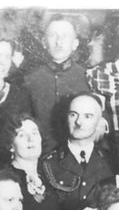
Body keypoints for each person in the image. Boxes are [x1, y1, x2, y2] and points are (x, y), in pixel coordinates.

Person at [41, 92, 117, 210]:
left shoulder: (113, 162)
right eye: (73, 115)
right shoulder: (48, 163)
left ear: (99, 122)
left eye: (87, 116)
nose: (79, 122)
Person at [23, 14, 91, 151]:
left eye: (65, 36)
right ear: (44, 42)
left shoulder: (88, 77)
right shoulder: (30, 79)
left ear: (75, 43)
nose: (59, 42)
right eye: (53, 36)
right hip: (42, 153)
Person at [2, 114, 60, 210]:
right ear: (11, 145)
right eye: (22, 135)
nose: (30, 139)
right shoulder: (4, 180)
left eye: (35, 133)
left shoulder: (50, 174)